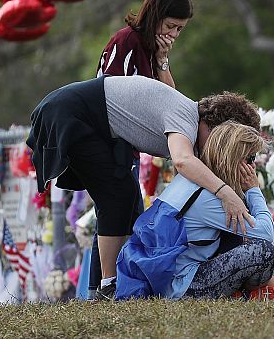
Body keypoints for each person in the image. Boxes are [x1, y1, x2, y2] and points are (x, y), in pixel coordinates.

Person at [26, 75, 260, 300]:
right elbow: (183, 161)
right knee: (116, 197)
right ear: (217, 129)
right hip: (70, 113)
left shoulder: (186, 118)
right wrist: (226, 193)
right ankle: (108, 286)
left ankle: (114, 282)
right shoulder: (186, 118)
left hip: (84, 119)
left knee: (126, 197)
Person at [89, 0, 193, 295]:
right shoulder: (127, 41)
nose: (173, 34)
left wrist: (162, 60)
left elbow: (171, 101)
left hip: (128, 147)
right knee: (114, 212)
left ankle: (116, 286)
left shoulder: (152, 50)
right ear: (156, 15)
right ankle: (101, 288)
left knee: (127, 212)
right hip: (106, 141)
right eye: (170, 26)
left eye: (180, 30)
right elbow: (111, 94)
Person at [129, 121, 274, 299]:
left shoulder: (190, 180)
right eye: (250, 159)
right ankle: (246, 295)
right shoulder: (210, 197)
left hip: (164, 278)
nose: (253, 166)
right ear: (234, 159)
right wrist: (253, 190)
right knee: (263, 252)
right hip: (179, 287)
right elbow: (265, 234)